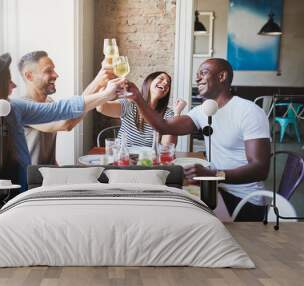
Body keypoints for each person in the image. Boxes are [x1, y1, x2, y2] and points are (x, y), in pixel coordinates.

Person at [0, 51, 125, 221]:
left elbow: (60, 110)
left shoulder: (13, 110)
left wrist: (105, 94)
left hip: (28, 206)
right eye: (7, 80)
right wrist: (10, 212)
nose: (13, 85)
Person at [127, 58, 271, 221]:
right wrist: (138, 98)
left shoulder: (249, 112)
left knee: (176, 216)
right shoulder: (202, 111)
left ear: (222, 76)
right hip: (214, 189)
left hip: (244, 201)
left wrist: (213, 174)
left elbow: (260, 169)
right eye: (197, 75)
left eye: (203, 73)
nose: (197, 79)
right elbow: (163, 126)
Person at [17, 51, 112, 164]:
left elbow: (74, 113)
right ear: (29, 76)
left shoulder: (49, 102)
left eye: (53, 69)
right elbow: (65, 124)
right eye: (48, 71)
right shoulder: (23, 107)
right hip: (30, 179)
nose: (56, 75)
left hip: (49, 174)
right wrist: (97, 83)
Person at [96, 71, 187, 147]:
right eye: (161, 78)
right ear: (149, 82)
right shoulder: (129, 104)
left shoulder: (168, 113)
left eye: (168, 83)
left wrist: (177, 113)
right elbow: (101, 108)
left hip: (149, 162)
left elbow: (167, 146)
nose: (166, 83)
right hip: (124, 158)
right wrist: (104, 84)